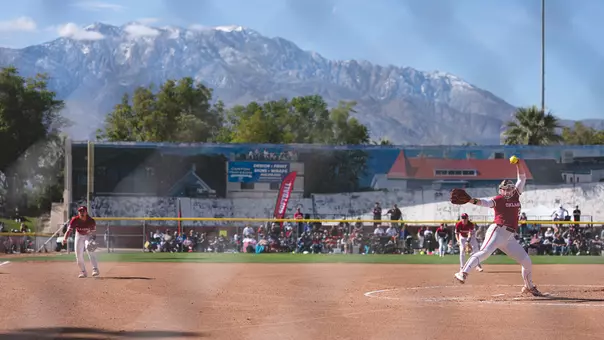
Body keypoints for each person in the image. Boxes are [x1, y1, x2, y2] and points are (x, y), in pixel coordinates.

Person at [454, 162, 542, 297]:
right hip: (497, 231)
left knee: (526, 261)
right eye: (505, 189)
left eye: (509, 189)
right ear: (500, 190)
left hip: (509, 237)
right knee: (485, 253)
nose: (507, 191)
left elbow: (522, 177)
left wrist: (518, 163)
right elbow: (485, 202)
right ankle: (463, 272)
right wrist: (471, 200)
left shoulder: (516, 195)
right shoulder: (499, 199)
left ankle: (529, 286)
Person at [63, 206, 99, 278]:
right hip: (79, 235)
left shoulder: (91, 221)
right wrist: (65, 238)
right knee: (78, 254)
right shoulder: (75, 220)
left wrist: (92, 241)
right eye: (80, 211)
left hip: (88, 235)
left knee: (90, 249)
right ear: (78, 212)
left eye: (83, 211)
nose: (81, 213)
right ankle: (83, 271)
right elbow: (69, 230)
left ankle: (95, 269)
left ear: (86, 212)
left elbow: (94, 233)